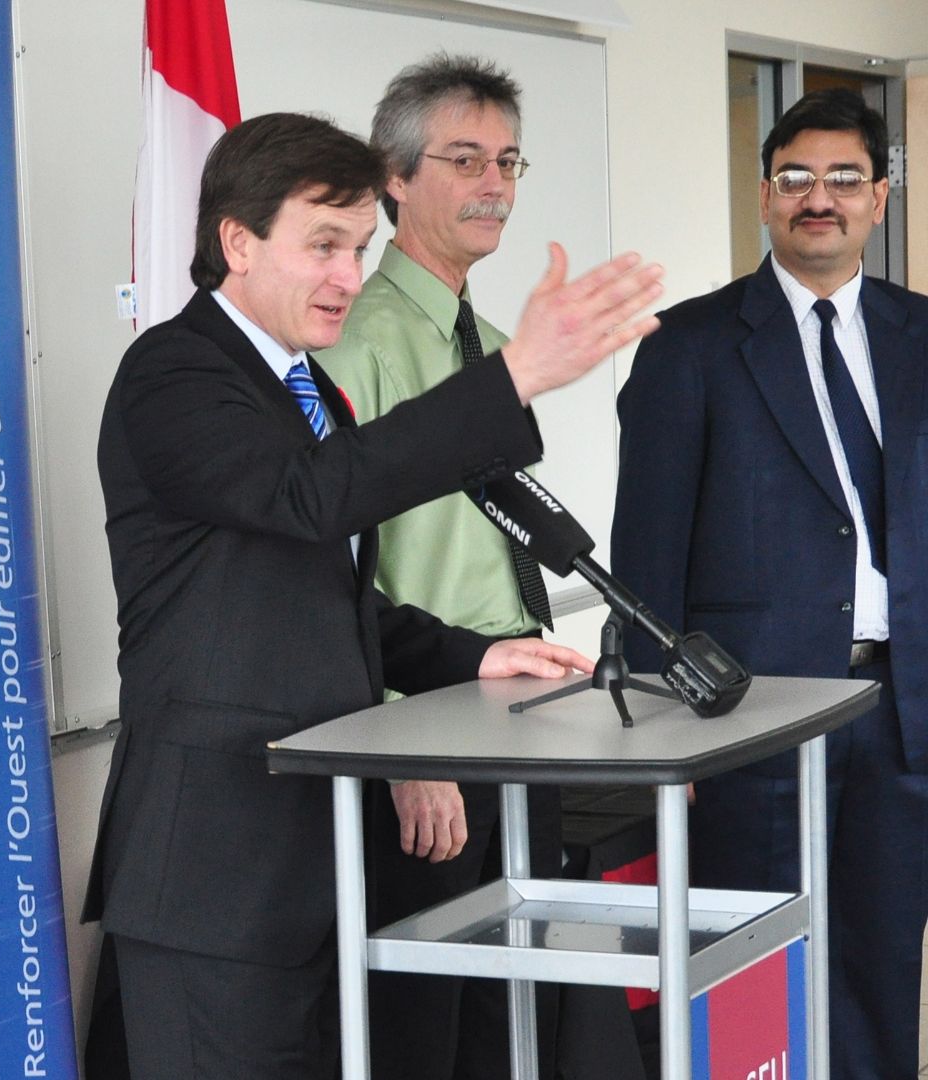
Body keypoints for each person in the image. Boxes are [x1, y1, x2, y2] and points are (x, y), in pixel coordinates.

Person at [84, 111, 661, 1076]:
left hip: (324, 865)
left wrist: (469, 654)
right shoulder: (172, 372)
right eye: (323, 246)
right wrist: (514, 373)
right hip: (216, 873)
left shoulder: (312, 391)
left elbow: (328, 602)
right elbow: (312, 500)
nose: (350, 276)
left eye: (359, 247)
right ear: (237, 241)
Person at [612, 88, 928, 1079]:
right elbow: (646, 558)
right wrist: (663, 742)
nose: (819, 199)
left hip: (901, 713)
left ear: (879, 198)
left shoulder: (923, 337)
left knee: (881, 967)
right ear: (763, 195)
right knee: (757, 981)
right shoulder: (690, 345)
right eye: (796, 178)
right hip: (751, 721)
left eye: (844, 180)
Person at [317, 54, 562, 1076]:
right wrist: (402, 747)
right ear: (396, 176)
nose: (494, 183)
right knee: (427, 1033)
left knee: (513, 1026)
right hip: (422, 729)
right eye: (464, 158)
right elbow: (326, 568)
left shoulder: (493, 342)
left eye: (507, 160)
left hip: (517, 714)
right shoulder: (354, 339)